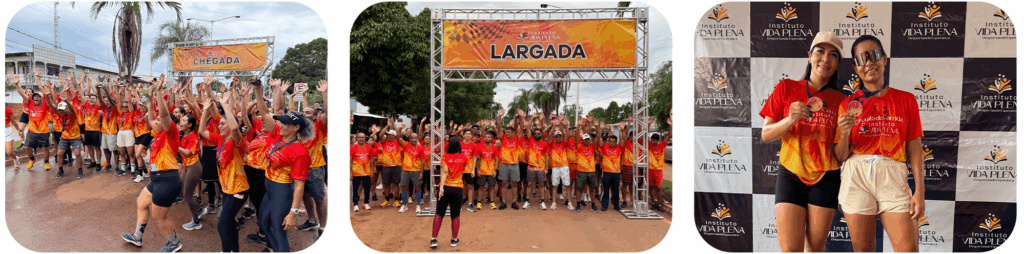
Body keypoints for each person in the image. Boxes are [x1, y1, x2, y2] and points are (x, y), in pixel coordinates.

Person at [835, 35, 925, 252]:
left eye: (873, 55)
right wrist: (844, 133)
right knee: (863, 250)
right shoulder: (847, 104)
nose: (868, 63)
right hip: (856, 175)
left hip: (893, 175)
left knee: (908, 250)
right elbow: (840, 157)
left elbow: (914, 147)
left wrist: (919, 191)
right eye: (861, 59)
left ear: (884, 59)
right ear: (855, 68)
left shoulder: (906, 100)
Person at [758, 31, 845, 252]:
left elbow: (840, 156)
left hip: (826, 177)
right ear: (810, 56)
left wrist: (846, 132)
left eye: (833, 55)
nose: (825, 59)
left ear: (837, 64)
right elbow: (766, 134)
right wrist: (790, 119)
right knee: (790, 250)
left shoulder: (842, 101)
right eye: (820, 51)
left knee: (815, 249)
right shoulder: (786, 87)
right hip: (791, 174)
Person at [120, 75, 185, 252]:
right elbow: (151, 117)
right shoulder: (158, 134)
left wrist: (159, 92)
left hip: (168, 179)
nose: (155, 121)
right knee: (141, 203)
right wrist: (150, 100)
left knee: (159, 217)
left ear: (168, 123)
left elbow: (163, 114)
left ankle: (174, 243)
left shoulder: (171, 133)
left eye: (159, 120)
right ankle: (137, 237)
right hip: (156, 179)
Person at [257, 79, 314, 252]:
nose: (280, 125)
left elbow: (299, 186)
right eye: (280, 122)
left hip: (282, 191)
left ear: (296, 128)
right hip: (269, 187)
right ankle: (274, 249)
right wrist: (258, 89)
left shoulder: (300, 152)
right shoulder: (278, 135)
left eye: (284, 123)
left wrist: (293, 213)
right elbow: (266, 112)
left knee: (278, 229)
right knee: (263, 223)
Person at [198, 87, 250, 252]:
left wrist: (224, 104)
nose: (218, 126)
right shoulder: (220, 139)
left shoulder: (237, 141)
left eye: (222, 123)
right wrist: (205, 111)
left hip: (238, 189)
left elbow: (234, 128)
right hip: (227, 189)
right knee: (229, 223)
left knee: (222, 224)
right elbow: (201, 131)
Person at [296, 80, 329, 237]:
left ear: (316, 117)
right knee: (305, 196)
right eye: (303, 113)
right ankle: (311, 220)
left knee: (319, 199)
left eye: (308, 113)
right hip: (302, 169)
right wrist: (304, 96)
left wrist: (324, 93)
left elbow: (328, 115)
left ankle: (323, 227)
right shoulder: (300, 130)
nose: (304, 114)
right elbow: (305, 111)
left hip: (315, 168)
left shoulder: (319, 127)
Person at [430, 137, 468, 248]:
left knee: (439, 213)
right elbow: (463, 169)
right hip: (458, 189)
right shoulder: (464, 158)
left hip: (445, 188)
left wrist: (441, 187)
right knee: (455, 214)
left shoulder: (445, 157)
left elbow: (445, 171)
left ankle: (434, 239)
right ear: (459, 146)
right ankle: (454, 240)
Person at [12, 70, 53, 172]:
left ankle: (46, 162)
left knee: (45, 148)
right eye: (35, 97)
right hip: (32, 131)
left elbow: (44, 93)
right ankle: (32, 159)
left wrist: (39, 80)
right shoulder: (30, 103)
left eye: (38, 97)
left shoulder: (45, 105)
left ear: (41, 99)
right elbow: (22, 93)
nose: (36, 98)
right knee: (27, 147)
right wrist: (16, 85)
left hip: (43, 132)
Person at [494, 109, 522, 210]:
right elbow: (499, 127)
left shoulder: (517, 138)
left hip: (515, 164)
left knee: (514, 183)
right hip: (504, 164)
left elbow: (520, 127)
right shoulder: (503, 138)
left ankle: (514, 201)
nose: (507, 134)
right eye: (506, 132)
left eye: (509, 132)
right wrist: (499, 116)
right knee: (504, 183)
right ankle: (503, 202)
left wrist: (520, 117)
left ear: (513, 133)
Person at [596, 120, 625, 211]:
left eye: (613, 142)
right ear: (608, 142)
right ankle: (604, 205)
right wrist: (601, 129)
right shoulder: (605, 147)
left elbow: (623, 140)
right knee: (605, 189)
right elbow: (599, 138)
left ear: (616, 142)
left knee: (616, 189)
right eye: (610, 141)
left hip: (616, 173)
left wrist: (620, 130)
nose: (611, 143)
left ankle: (616, 205)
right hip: (606, 172)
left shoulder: (619, 147)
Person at [523, 113, 551, 210]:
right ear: (533, 134)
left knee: (542, 185)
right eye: (535, 133)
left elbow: (547, 157)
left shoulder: (545, 143)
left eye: (539, 133)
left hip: (541, 168)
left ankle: (542, 202)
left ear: (541, 134)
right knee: (529, 184)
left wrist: (546, 168)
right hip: (531, 167)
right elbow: (527, 127)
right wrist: (532, 118)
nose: (537, 135)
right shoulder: (530, 140)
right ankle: (527, 201)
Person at [574, 116, 600, 212]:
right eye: (585, 139)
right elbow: (576, 136)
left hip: (591, 171)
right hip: (581, 171)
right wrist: (578, 126)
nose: (586, 140)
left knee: (592, 189)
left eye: (588, 139)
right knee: (579, 189)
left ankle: (593, 205)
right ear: (582, 140)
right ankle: (578, 204)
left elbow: (598, 137)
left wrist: (596, 127)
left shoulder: (592, 146)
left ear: (589, 140)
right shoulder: (579, 146)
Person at [647, 113, 672, 212]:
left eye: (655, 140)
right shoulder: (649, 145)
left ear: (658, 141)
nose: (653, 142)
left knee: (658, 187)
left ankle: (659, 203)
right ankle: (653, 203)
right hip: (649, 169)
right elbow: (645, 134)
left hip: (658, 170)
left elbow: (669, 135)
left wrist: (670, 125)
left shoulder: (661, 146)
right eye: (652, 140)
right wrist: (649, 124)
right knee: (650, 187)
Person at [377, 118, 404, 208]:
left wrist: (394, 125)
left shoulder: (398, 142)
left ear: (395, 136)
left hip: (397, 166)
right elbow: (380, 134)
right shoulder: (384, 142)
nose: (388, 136)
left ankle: (396, 200)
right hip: (386, 166)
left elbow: (399, 134)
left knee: (396, 184)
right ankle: (387, 200)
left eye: (391, 135)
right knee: (386, 184)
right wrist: (388, 125)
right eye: (388, 135)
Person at [547, 116, 570, 210]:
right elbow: (549, 135)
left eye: (560, 136)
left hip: (564, 166)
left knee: (567, 185)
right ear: (554, 137)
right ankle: (554, 202)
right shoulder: (552, 143)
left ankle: (569, 202)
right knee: (555, 185)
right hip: (555, 167)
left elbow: (567, 135)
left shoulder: (564, 143)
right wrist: (554, 126)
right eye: (557, 136)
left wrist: (566, 125)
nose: (558, 137)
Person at [475, 129, 500, 210]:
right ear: (484, 138)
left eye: (489, 137)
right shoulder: (480, 147)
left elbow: (497, 160)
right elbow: (477, 159)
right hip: (482, 171)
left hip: (491, 171)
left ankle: (491, 202)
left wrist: (495, 170)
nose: (487, 138)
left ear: (492, 139)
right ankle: (479, 202)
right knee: (481, 187)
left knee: (492, 187)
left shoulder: (495, 148)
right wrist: (478, 170)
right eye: (486, 137)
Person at [351, 132, 376, 212]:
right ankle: (355, 204)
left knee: (367, 188)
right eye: (360, 137)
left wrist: (372, 170)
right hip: (356, 172)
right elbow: (350, 160)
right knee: (355, 188)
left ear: (365, 138)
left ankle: (366, 203)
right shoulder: (353, 148)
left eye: (363, 137)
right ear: (356, 139)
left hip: (366, 172)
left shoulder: (369, 147)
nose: (361, 139)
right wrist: (350, 172)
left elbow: (372, 159)